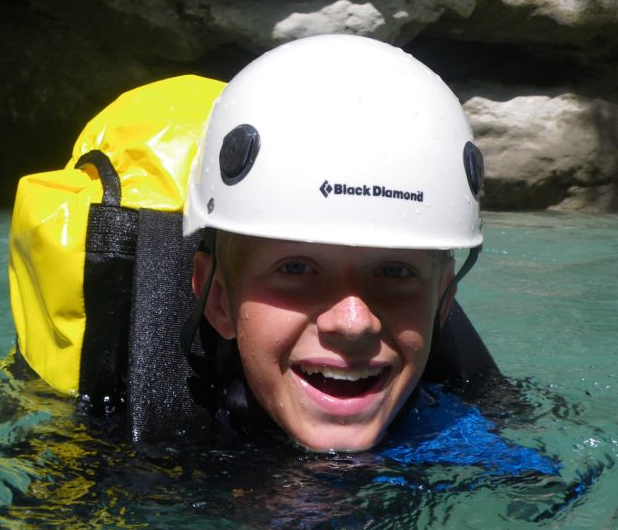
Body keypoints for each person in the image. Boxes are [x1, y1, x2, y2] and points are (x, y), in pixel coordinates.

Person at [178, 34, 496, 454]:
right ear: (218, 299)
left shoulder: (477, 438)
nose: (353, 322)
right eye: (295, 268)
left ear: (442, 302)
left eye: (394, 271)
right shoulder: (137, 448)